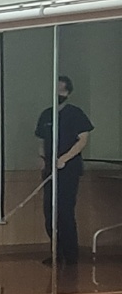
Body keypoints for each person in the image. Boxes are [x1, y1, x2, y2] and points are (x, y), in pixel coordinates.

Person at [35, 75, 93, 267]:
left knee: (65, 212)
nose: (58, 93)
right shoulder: (46, 115)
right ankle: (56, 253)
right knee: (49, 213)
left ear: (68, 93)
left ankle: (71, 255)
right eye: (56, 90)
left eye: (62, 90)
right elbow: (41, 141)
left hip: (68, 171)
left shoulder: (75, 114)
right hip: (49, 171)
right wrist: (43, 160)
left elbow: (83, 140)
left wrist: (64, 159)